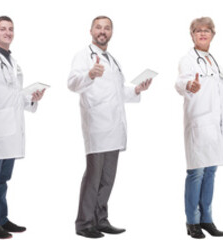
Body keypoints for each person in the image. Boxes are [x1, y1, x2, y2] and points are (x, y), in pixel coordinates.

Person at [68, 15, 152, 239]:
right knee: (94, 176)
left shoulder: (112, 60)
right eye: (98, 28)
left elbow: (118, 92)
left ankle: (101, 219)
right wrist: (89, 74)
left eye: (106, 28)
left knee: (108, 177)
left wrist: (137, 89)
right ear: (91, 31)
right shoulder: (83, 56)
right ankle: (84, 223)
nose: (102, 31)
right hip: (97, 124)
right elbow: (72, 83)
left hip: (114, 127)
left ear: (111, 33)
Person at [174, 16, 223, 239]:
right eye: (198, 31)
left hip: (215, 125)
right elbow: (179, 83)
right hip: (198, 122)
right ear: (192, 35)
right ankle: (192, 222)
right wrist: (189, 84)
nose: (203, 33)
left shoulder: (214, 61)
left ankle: (207, 219)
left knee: (211, 172)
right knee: (196, 173)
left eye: (207, 30)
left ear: (213, 35)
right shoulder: (187, 60)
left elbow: (217, 95)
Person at [0, 15, 44, 239]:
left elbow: (17, 96)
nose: (7, 32)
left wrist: (32, 97)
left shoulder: (15, 62)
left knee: (4, 178)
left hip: (12, 129)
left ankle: (2, 219)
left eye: (10, 29)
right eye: (2, 29)